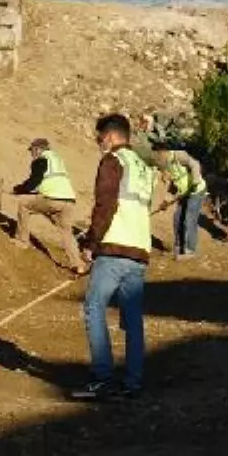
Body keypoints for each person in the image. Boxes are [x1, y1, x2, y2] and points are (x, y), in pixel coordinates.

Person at [71, 113, 154, 401]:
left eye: (99, 138)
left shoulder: (113, 161)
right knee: (132, 318)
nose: (99, 144)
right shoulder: (143, 166)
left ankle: (102, 378)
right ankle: (133, 381)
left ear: (109, 136)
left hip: (114, 248)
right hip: (139, 250)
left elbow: (105, 204)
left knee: (94, 307)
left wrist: (91, 243)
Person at [8, 138, 87, 275]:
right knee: (66, 232)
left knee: (24, 205)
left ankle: (22, 241)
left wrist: (18, 190)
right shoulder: (57, 159)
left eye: (32, 151)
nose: (31, 154)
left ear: (38, 149)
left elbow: (34, 181)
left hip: (53, 198)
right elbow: (49, 181)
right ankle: (78, 265)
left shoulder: (41, 160)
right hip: (69, 200)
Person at [151, 143, 207, 259]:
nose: (157, 158)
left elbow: (195, 164)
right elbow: (173, 185)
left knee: (189, 218)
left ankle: (189, 250)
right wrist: (166, 201)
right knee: (177, 218)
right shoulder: (166, 165)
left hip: (196, 191)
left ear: (163, 152)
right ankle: (178, 247)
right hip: (184, 193)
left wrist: (195, 181)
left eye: (157, 155)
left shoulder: (178, 155)